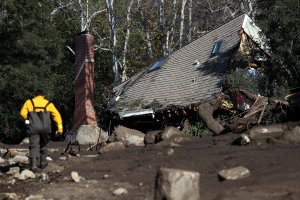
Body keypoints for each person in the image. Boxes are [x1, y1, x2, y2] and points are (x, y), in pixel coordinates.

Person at [20, 89, 63, 171]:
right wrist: (60, 128)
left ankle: (33, 165)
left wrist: (27, 119)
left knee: (33, 146)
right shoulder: (48, 103)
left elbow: (22, 113)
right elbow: (57, 115)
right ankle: (43, 163)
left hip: (33, 128)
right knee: (44, 145)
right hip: (46, 129)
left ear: (34, 95)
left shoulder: (29, 102)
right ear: (43, 96)